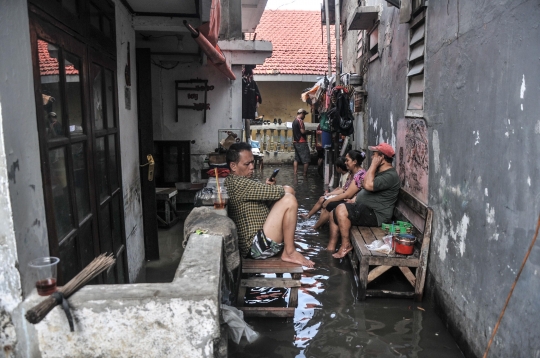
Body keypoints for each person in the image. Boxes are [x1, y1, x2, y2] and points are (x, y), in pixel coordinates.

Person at [225, 142, 315, 268]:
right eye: (247, 164)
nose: (252, 167)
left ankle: (289, 249)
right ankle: (289, 251)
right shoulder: (238, 183)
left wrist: (267, 189)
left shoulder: (236, 182)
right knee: (289, 200)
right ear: (233, 166)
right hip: (256, 247)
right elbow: (289, 191)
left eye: (252, 162)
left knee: (283, 199)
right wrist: (277, 191)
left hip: (257, 242)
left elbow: (258, 198)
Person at [328, 143, 400, 258]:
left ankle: (346, 245)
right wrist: (356, 199)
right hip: (367, 209)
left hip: (377, 215)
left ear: (381, 158)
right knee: (333, 212)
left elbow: (367, 185)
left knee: (341, 209)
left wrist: (373, 165)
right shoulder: (378, 172)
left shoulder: (390, 175)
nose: (372, 157)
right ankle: (331, 247)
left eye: (374, 155)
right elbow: (364, 184)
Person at [302, 150, 367, 229]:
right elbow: (343, 189)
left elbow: (347, 194)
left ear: (354, 162)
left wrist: (330, 200)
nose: (345, 162)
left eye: (347, 160)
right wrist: (330, 195)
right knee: (325, 201)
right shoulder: (351, 173)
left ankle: (316, 227)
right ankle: (318, 224)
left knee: (329, 204)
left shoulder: (360, 175)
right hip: (347, 198)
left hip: (353, 202)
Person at [292, 108, 310, 176]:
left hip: (296, 142)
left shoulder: (294, 121)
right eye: (304, 114)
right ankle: (305, 174)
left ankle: (295, 173)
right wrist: (308, 132)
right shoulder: (300, 121)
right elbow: (302, 131)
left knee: (296, 159)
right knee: (306, 159)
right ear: (301, 114)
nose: (304, 116)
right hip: (301, 142)